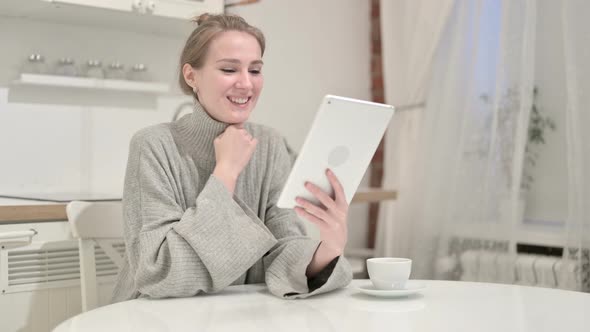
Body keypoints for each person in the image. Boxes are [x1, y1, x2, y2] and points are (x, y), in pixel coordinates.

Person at [112, 13, 352, 302]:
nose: (246, 84)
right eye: (229, 69)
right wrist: (225, 172)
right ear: (191, 76)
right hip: (152, 317)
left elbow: (281, 249)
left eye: (255, 70)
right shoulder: (153, 145)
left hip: (235, 315)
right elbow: (157, 273)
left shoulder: (269, 145)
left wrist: (329, 247)